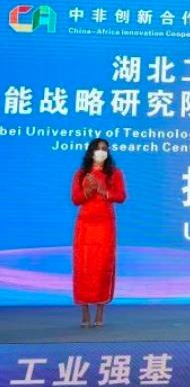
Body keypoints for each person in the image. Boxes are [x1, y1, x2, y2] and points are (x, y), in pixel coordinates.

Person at [71, 138, 126, 327]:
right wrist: (88, 190)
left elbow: (121, 196)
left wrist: (104, 191)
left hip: (105, 225)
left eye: (104, 149)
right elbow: (75, 199)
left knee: (102, 267)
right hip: (85, 225)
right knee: (84, 267)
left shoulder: (114, 173)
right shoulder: (81, 174)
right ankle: (85, 313)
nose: (101, 152)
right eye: (98, 148)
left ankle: (100, 313)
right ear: (91, 151)